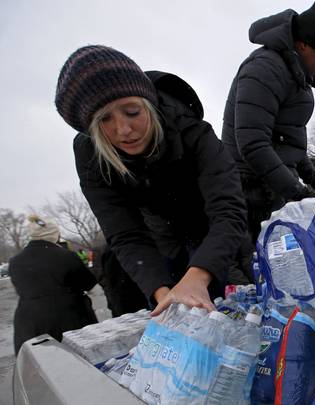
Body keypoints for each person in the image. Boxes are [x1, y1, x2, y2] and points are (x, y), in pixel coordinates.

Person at [54, 45, 248, 316]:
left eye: (132, 112)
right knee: (164, 305)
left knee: (234, 302)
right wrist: (161, 293)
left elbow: (228, 211)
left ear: (149, 104)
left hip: (214, 231)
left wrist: (199, 275)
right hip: (160, 237)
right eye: (104, 120)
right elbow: (124, 233)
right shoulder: (90, 155)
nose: (124, 129)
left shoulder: (192, 131)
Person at [221, 1, 315, 255]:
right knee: (259, 271)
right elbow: (253, 143)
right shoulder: (265, 68)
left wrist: (313, 178)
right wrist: (298, 192)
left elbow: (286, 140)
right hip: (249, 192)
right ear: (304, 45)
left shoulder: (296, 74)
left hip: (272, 188)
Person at [9, 215, 98, 354]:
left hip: (29, 321)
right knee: (78, 364)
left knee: (43, 365)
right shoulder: (66, 256)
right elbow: (88, 283)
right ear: (53, 234)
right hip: (69, 319)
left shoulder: (15, 261)